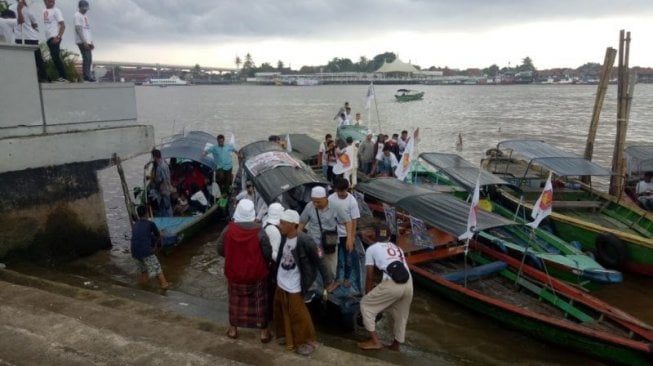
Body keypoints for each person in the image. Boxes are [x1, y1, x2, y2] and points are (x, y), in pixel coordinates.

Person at [274, 209, 336, 356]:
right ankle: (285, 335)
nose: (279, 225)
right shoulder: (283, 237)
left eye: (283, 223)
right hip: (282, 278)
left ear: (293, 225)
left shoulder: (305, 240)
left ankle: (306, 341)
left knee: (298, 313)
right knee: (279, 307)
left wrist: (328, 281)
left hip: (296, 281)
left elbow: (320, 260)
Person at [217, 199, 273, 343]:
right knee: (260, 303)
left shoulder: (228, 229)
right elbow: (267, 252)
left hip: (234, 273)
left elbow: (219, 248)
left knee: (235, 302)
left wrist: (232, 256)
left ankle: (233, 330)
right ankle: (264, 333)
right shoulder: (259, 231)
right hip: (256, 274)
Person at [358, 225, 413, 351]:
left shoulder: (371, 249)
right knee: (401, 315)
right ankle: (396, 345)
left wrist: (368, 293)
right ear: (388, 237)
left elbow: (370, 275)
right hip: (408, 282)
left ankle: (375, 341)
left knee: (366, 305)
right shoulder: (397, 248)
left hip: (392, 283)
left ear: (375, 236)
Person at [299, 186, 354, 281]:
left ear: (325, 198)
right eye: (314, 201)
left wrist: (349, 238)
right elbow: (302, 223)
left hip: (329, 243)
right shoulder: (309, 206)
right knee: (315, 266)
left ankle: (329, 286)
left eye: (318, 201)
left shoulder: (335, 207)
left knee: (331, 269)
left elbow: (348, 221)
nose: (316, 204)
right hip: (315, 244)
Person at [328, 178, 360, 288]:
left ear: (347, 189)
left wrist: (351, 237)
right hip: (333, 232)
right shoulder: (331, 198)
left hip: (346, 233)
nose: (341, 193)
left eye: (343, 191)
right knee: (335, 258)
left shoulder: (352, 201)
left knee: (348, 258)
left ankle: (346, 278)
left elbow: (354, 220)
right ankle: (336, 279)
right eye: (339, 191)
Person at [131, 205, 169, 290]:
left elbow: (141, 236)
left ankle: (145, 288)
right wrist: (160, 235)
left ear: (138, 214)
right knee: (158, 270)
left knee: (144, 271)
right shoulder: (150, 224)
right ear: (147, 214)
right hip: (145, 251)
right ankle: (165, 286)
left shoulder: (135, 225)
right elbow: (158, 235)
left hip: (134, 252)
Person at [14, 0, 48, 82]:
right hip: (25, 37)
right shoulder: (25, 9)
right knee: (37, 60)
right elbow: (34, 24)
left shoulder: (26, 9)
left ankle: (43, 77)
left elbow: (34, 23)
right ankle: (42, 77)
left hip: (26, 37)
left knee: (37, 59)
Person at [43, 0, 68, 82]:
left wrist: (58, 37)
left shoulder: (56, 11)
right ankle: (61, 76)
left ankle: (64, 77)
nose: (51, 1)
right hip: (48, 38)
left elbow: (63, 25)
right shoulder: (44, 11)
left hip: (55, 37)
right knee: (54, 57)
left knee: (56, 57)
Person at [74, 0, 95, 82]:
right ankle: (86, 76)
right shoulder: (77, 15)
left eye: (86, 8)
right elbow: (78, 29)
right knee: (86, 58)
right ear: (80, 7)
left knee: (89, 59)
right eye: (84, 8)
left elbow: (88, 30)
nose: (85, 10)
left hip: (88, 41)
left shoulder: (85, 16)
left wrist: (91, 42)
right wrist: (84, 42)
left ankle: (88, 74)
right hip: (82, 41)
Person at [151, 149, 173, 217]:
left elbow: (165, 179)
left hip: (164, 189)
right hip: (162, 190)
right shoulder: (161, 163)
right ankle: (166, 218)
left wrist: (161, 187)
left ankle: (169, 219)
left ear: (155, 157)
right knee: (163, 206)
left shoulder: (162, 166)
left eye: (153, 157)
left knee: (167, 206)